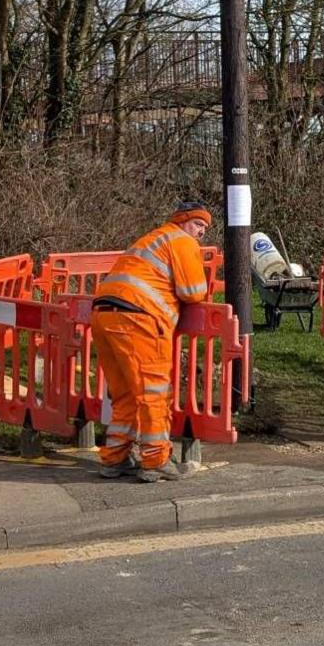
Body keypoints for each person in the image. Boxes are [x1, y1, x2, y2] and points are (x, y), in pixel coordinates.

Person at [90, 202, 212, 482]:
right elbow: (193, 291)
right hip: (140, 319)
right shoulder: (182, 241)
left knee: (125, 394)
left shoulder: (152, 238)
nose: (201, 233)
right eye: (198, 225)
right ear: (183, 222)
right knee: (153, 392)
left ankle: (114, 459)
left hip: (104, 315)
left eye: (204, 228)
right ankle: (155, 459)